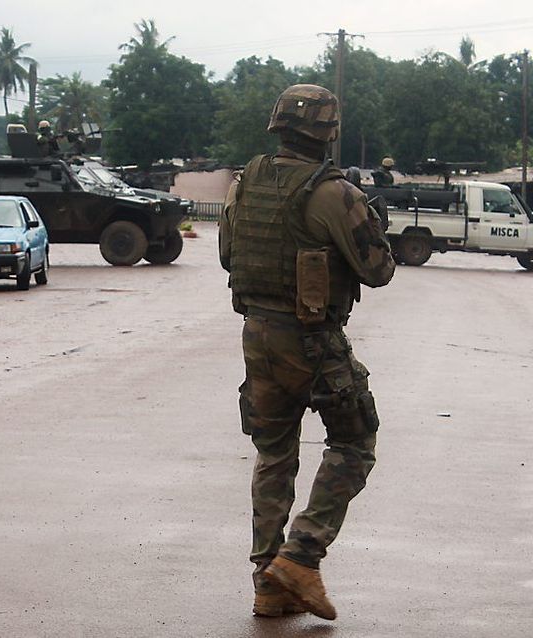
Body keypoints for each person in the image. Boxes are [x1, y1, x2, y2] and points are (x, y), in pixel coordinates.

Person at [218, 84, 395, 621]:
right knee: (355, 442)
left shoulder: (244, 186)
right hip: (314, 341)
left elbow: (229, 257)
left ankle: (268, 584)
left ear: (278, 128)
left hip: (258, 336)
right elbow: (378, 271)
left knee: (274, 454)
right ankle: (300, 557)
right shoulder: (334, 193)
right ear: (329, 134)